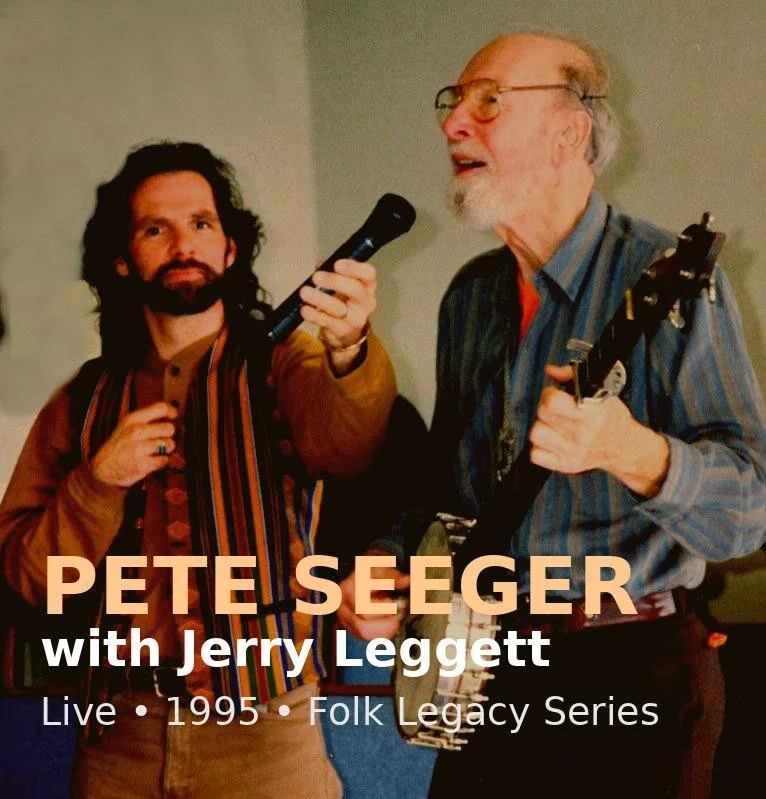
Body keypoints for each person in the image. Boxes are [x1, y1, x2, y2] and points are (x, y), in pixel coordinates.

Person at [339, 32, 766, 799]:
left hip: (634, 669)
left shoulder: (670, 280)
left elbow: (751, 507)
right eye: (455, 103)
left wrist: (635, 453)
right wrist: (388, 561)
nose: (454, 125)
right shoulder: (469, 299)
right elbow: (445, 497)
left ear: (571, 132)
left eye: (489, 102)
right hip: (487, 668)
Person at [0, 141, 396, 798]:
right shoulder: (82, 399)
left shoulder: (284, 364)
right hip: (118, 746)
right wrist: (98, 481)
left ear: (230, 249)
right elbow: (28, 576)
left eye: (202, 224)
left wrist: (350, 347)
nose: (183, 242)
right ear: (124, 260)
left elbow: (347, 442)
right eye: (157, 228)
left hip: (269, 744)